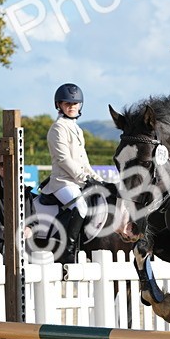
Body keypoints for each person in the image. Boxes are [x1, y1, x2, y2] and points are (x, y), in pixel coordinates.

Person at [43, 83, 104, 263]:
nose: (71, 107)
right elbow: (64, 160)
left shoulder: (77, 129)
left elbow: (83, 161)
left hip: (77, 181)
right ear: (59, 105)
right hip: (62, 182)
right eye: (67, 104)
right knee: (80, 207)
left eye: (75, 104)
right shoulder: (57, 128)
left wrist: (98, 179)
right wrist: (84, 178)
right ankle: (67, 252)